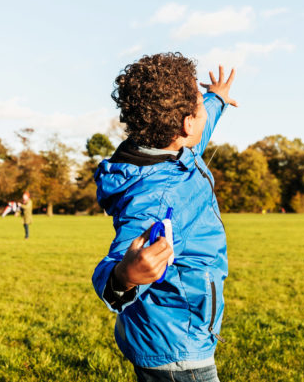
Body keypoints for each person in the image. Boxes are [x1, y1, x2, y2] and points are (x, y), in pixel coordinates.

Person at [91, 53, 237, 382]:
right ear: (185, 124)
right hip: (178, 349)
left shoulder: (167, 148)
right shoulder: (157, 196)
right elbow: (117, 261)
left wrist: (216, 98)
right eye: (199, 104)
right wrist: (124, 276)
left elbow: (202, 124)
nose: (204, 111)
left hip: (164, 333)